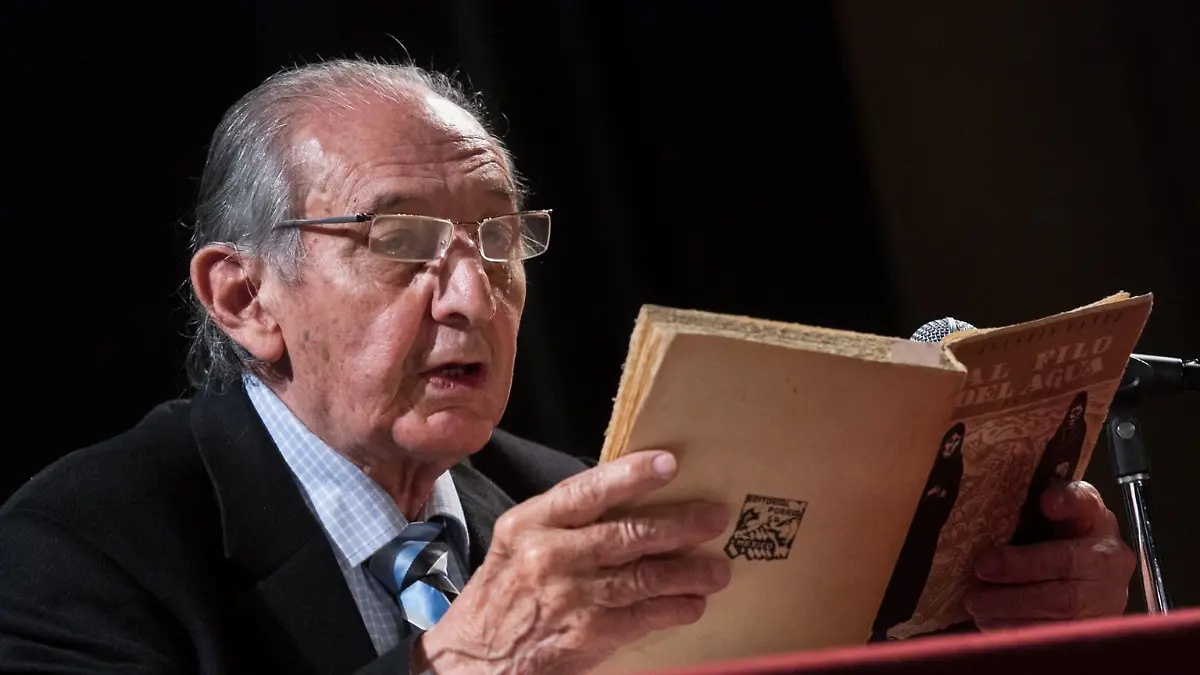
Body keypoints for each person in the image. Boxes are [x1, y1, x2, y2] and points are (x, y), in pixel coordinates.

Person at [0, 59, 1136, 674]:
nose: (470, 295)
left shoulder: (570, 499)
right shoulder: (78, 548)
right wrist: (462, 666)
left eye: (499, 240)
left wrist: (1002, 628)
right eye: (402, 241)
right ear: (245, 297)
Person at [872, 423, 966, 640]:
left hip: (926, 530)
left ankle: (881, 630)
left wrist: (937, 497)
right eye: (948, 441)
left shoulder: (954, 465)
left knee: (907, 578)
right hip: (909, 526)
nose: (950, 446)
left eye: (955, 442)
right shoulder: (926, 461)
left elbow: (949, 496)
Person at [1010, 392, 1090, 546]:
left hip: (1060, 475)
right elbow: (1051, 449)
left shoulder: (1081, 429)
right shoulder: (1061, 427)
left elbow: (1075, 451)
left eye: (1078, 411)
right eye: (1073, 411)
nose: (1073, 415)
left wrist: (1065, 465)